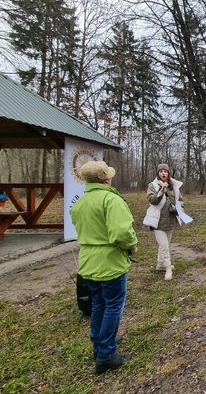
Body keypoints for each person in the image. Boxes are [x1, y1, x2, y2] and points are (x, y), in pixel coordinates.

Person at [70, 160, 138, 374]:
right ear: (105, 178)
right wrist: (132, 245)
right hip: (109, 263)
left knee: (98, 305)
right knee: (113, 306)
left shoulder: (80, 202)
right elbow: (122, 233)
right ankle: (106, 354)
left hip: (88, 263)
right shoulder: (111, 200)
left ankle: (99, 345)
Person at [143, 163, 183, 281]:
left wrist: (181, 208)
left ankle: (160, 264)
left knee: (165, 244)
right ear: (158, 173)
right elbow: (152, 200)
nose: (163, 173)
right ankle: (168, 268)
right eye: (161, 171)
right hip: (158, 220)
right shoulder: (152, 185)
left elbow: (180, 199)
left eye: (165, 171)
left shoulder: (173, 185)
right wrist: (161, 191)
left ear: (168, 173)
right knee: (164, 245)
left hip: (171, 219)